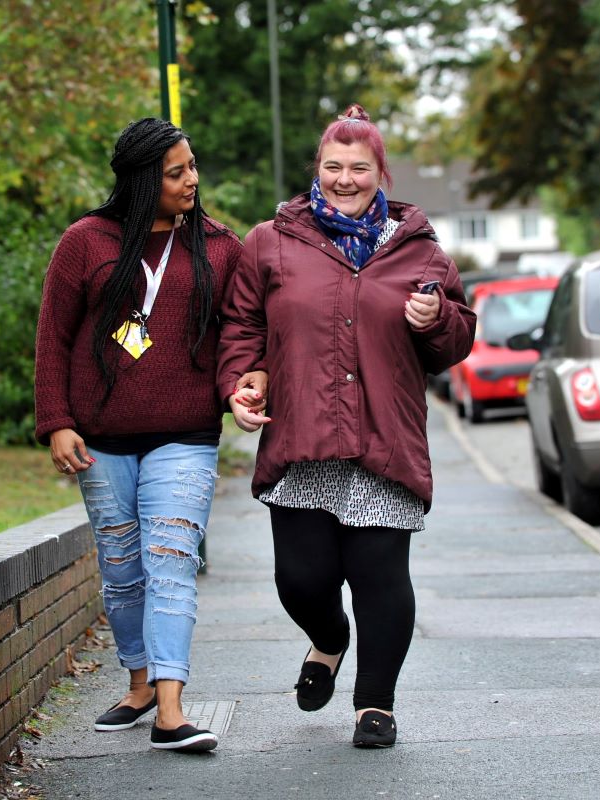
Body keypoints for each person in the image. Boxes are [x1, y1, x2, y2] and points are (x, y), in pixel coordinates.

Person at [217, 104, 476, 748]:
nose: (345, 179)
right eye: (333, 166)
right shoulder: (270, 241)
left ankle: (375, 703)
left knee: (380, 577)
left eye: (359, 168)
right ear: (317, 169)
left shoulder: (420, 250)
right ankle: (329, 638)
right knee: (300, 579)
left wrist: (433, 320)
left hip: (383, 438)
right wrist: (244, 379)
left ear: (380, 173)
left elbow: (458, 338)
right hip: (302, 438)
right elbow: (243, 325)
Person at [34, 117, 266, 753]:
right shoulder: (86, 241)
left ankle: (170, 708)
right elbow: (53, 335)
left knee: (170, 564)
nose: (191, 180)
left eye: (192, 166)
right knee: (123, 571)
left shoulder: (220, 246)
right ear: (141, 179)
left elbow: (241, 337)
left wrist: (244, 385)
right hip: (102, 437)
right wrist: (56, 420)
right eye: (176, 172)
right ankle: (138, 683)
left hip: (185, 434)